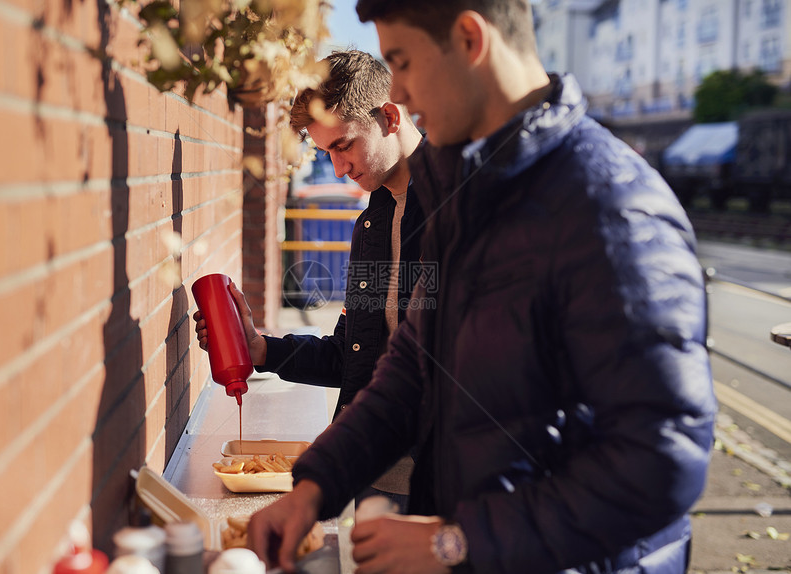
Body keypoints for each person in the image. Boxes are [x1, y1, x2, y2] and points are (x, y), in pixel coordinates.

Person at [246, 2, 717, 573]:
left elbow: (661, 462)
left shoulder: (612, 207)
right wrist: (314, 488)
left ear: (470, 39)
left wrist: (455, 542)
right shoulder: (467, 198)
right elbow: (410, 366)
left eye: (403, 63)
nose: (402, 94)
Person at [194, 50, 425, 510]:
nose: (338, 169)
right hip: (374, 477)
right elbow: (352, 356)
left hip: (449, 488)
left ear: (390, 117)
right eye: (325, 153)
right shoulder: (371, 226)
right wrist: (261, 348)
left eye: (344, 145)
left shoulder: (462, 209)